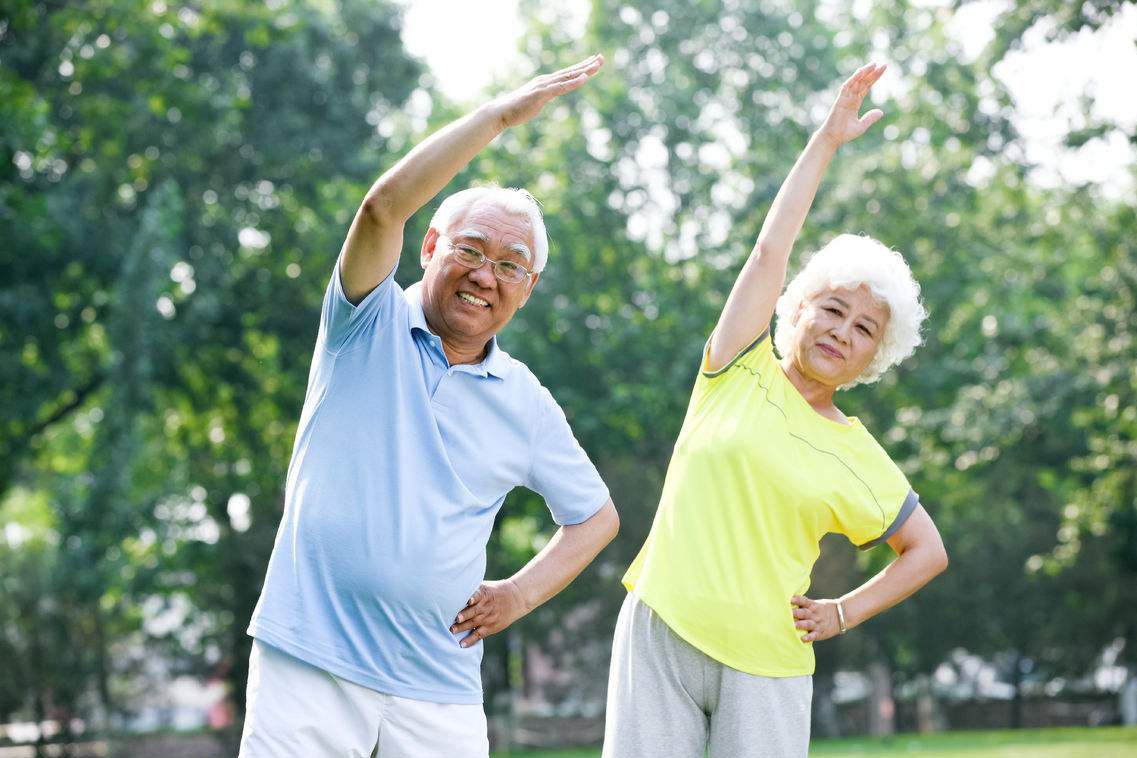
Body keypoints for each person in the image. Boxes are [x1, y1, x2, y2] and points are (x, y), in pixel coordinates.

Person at [239, 54, 619, 758]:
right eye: (470, 249)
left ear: (527, 288)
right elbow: (381, 205)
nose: (484, 274)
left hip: (437, 683)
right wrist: (498, 117)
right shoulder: (364, 322)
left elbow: (595, 519)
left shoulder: (524, 401)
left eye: (509, 265)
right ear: (430, 247)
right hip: (309, 661)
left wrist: (519, 596)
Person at [602, 63, 949, 758]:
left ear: (872, 357)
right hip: (660, 629)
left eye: (862, 329)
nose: (839, 333)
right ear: (799, 307)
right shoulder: (736, 364)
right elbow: (770, 248)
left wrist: (842, 612)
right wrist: (824, 142)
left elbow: (926, 552)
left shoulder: (856, 454)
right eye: (832, 309)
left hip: (767, 667)